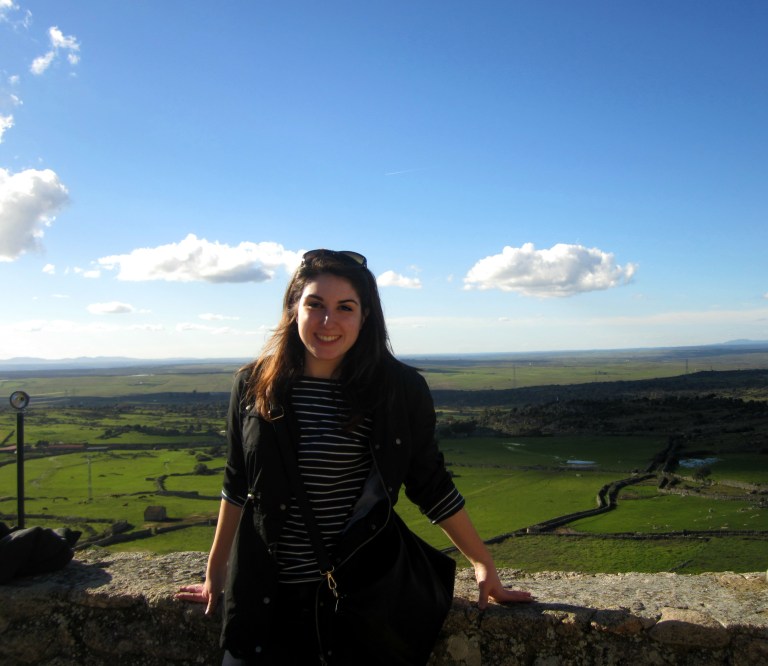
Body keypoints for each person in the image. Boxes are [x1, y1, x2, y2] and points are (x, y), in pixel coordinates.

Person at [177, 249, 533, 665]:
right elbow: (237, 482)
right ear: (293, 309)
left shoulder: (399, 389)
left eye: (345, 307)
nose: (328, 321)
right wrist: (216, 570)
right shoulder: (253, 384)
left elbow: (429, 483)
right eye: (315, 305)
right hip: (264, 601)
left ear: (365, 316)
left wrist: (482, 562)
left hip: (357, 601)